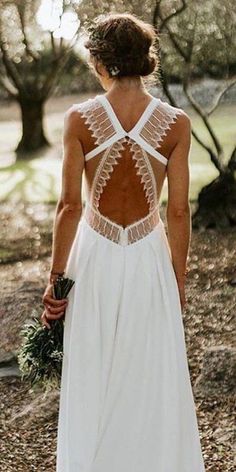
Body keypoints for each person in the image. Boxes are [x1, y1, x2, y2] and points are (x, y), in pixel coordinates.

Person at [41, 12, 205, 472]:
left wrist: (57, 280)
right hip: (150, 254)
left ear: (101, 61)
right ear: (145, 60)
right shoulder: (176, 123)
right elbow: (176, 210)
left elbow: (69, 207)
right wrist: (177, 277)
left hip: (93, 255)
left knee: (93, 364)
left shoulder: (79, 119)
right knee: (150, 368)